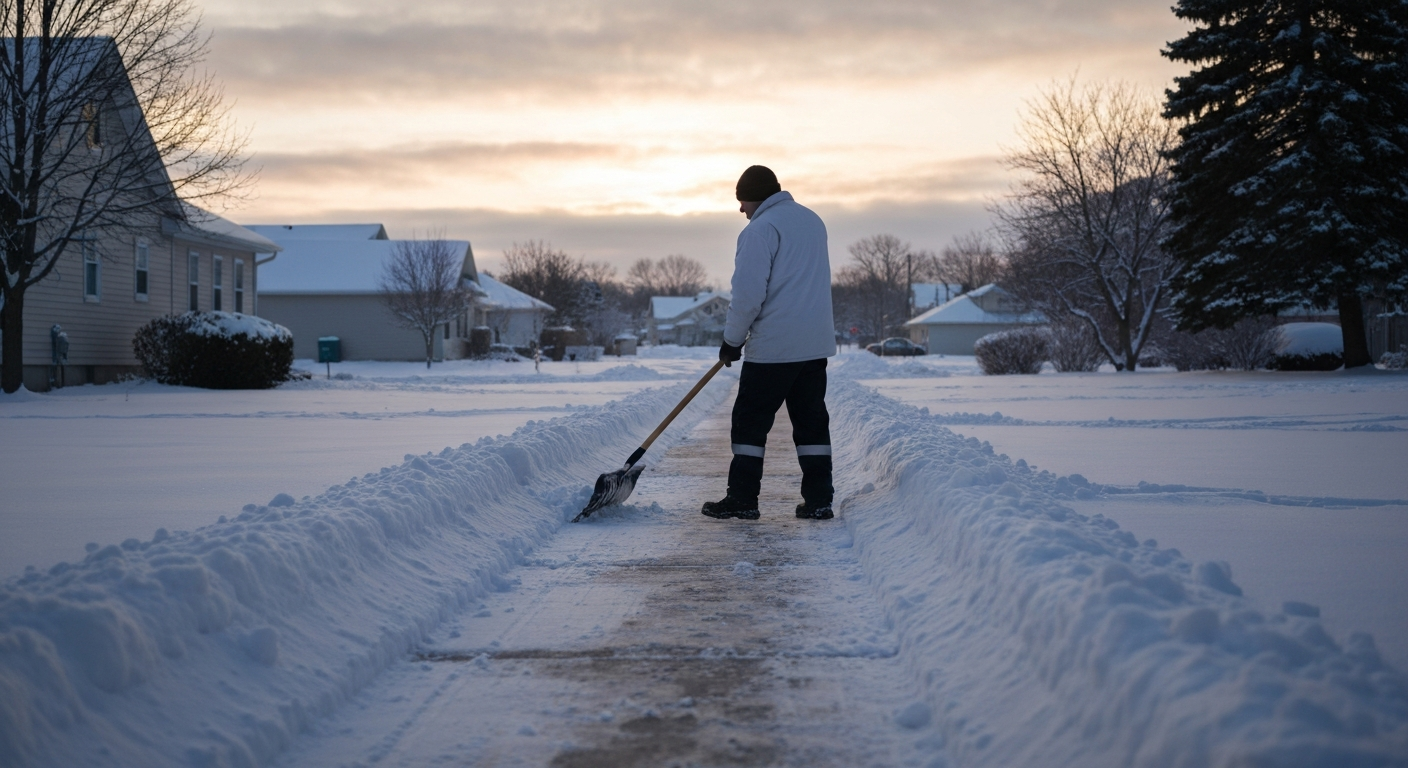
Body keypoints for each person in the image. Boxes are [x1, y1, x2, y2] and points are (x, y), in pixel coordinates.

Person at [702, 165, 836, 521]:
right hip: (814, 345)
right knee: (811, 424)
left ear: (752, 197)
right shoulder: (812, 221)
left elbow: (747, 294)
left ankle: (743, 498)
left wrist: (731, 340)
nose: (740, 209)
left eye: (741, 201)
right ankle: (820, 499)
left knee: (750, 423)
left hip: (775, 348)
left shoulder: (760, 229)